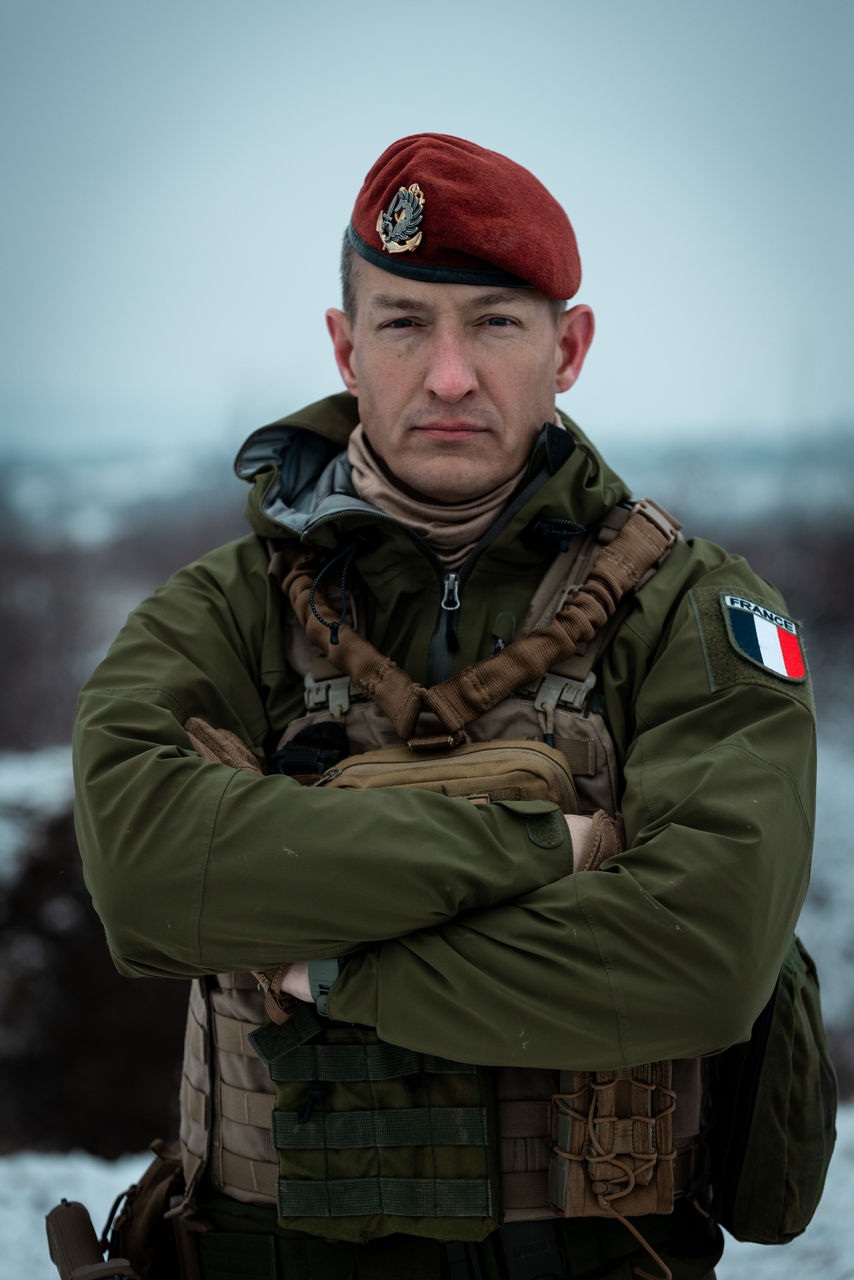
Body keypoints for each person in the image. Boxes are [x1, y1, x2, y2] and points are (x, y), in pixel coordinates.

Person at [72, 134, 816, 1280]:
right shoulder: (216, 614)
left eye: (495, 323)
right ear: (345, 344)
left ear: (567, 348)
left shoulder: (692, 613)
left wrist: (333, 971)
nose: (450, 375)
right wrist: (551, 850)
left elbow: (699, 953)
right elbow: (145, 872)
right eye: (405, 322)